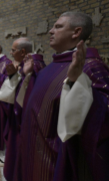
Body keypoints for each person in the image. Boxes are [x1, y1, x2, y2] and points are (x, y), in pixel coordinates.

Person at [16, 12, 109, 180]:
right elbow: (32, 105)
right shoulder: (50, 67)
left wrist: (76, 82)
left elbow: (103, 116)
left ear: (76, 32)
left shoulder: (90, 66)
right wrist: (27, 77)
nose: (51, 31)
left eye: (58, 27)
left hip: (56, 158)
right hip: (33, 148)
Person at [0, 38, 45, 180]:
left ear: (22, 51)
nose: (11, 52)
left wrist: (14, 77)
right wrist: (8, 77)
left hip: (22, 122)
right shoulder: (27, 64)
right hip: (18, 121)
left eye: (13, 50)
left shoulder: (33, 66)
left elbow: (25, 96)